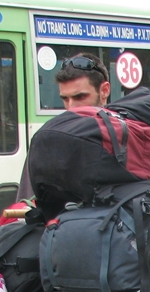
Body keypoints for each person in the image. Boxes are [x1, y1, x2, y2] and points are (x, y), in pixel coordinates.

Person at [17, 53, 111, 200]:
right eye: (65, 99)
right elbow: (26, 207)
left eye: (80, 97)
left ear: (104, 91)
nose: (71, 107)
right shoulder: (49, 141)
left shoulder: (126, 135)